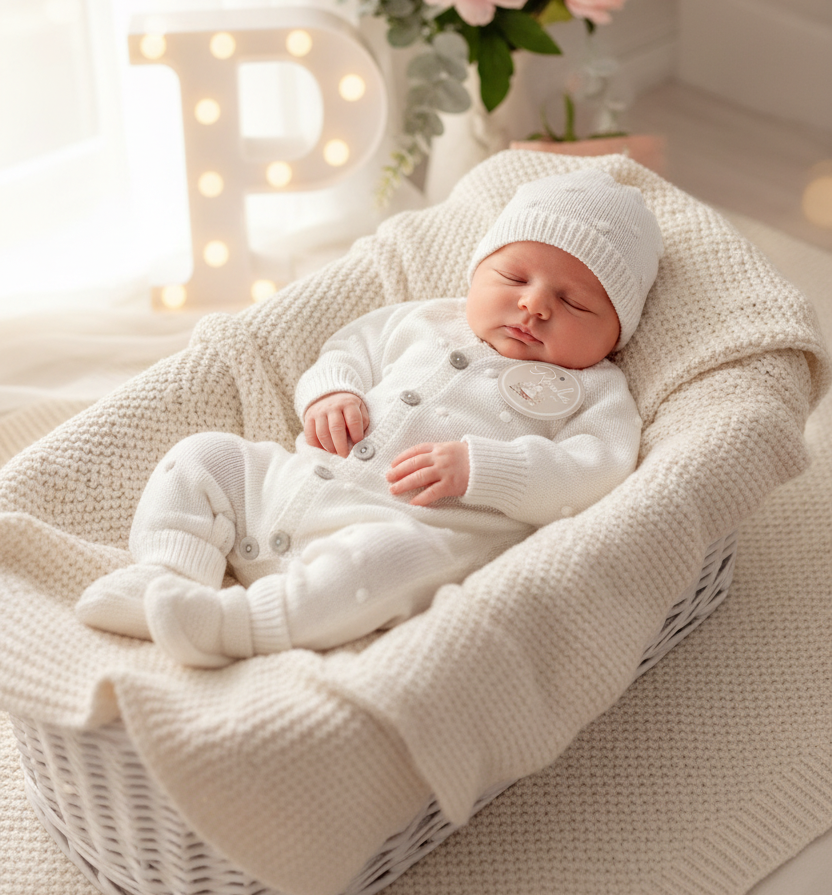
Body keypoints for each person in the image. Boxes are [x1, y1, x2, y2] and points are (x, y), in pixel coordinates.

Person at [77, 168, 663, 667]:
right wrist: (332, 394)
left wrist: (484, 469)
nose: (534, 304)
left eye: (574, 302)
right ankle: (169, 578)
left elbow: (594, 473)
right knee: (206, 456)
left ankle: (237, 625)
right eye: (513, 278)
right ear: (477, 271)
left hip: (401, 528)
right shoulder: (424, 319)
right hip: (293, 485)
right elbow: (348, 350)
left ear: (617, 333)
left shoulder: (597, 392)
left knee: (392, 563)